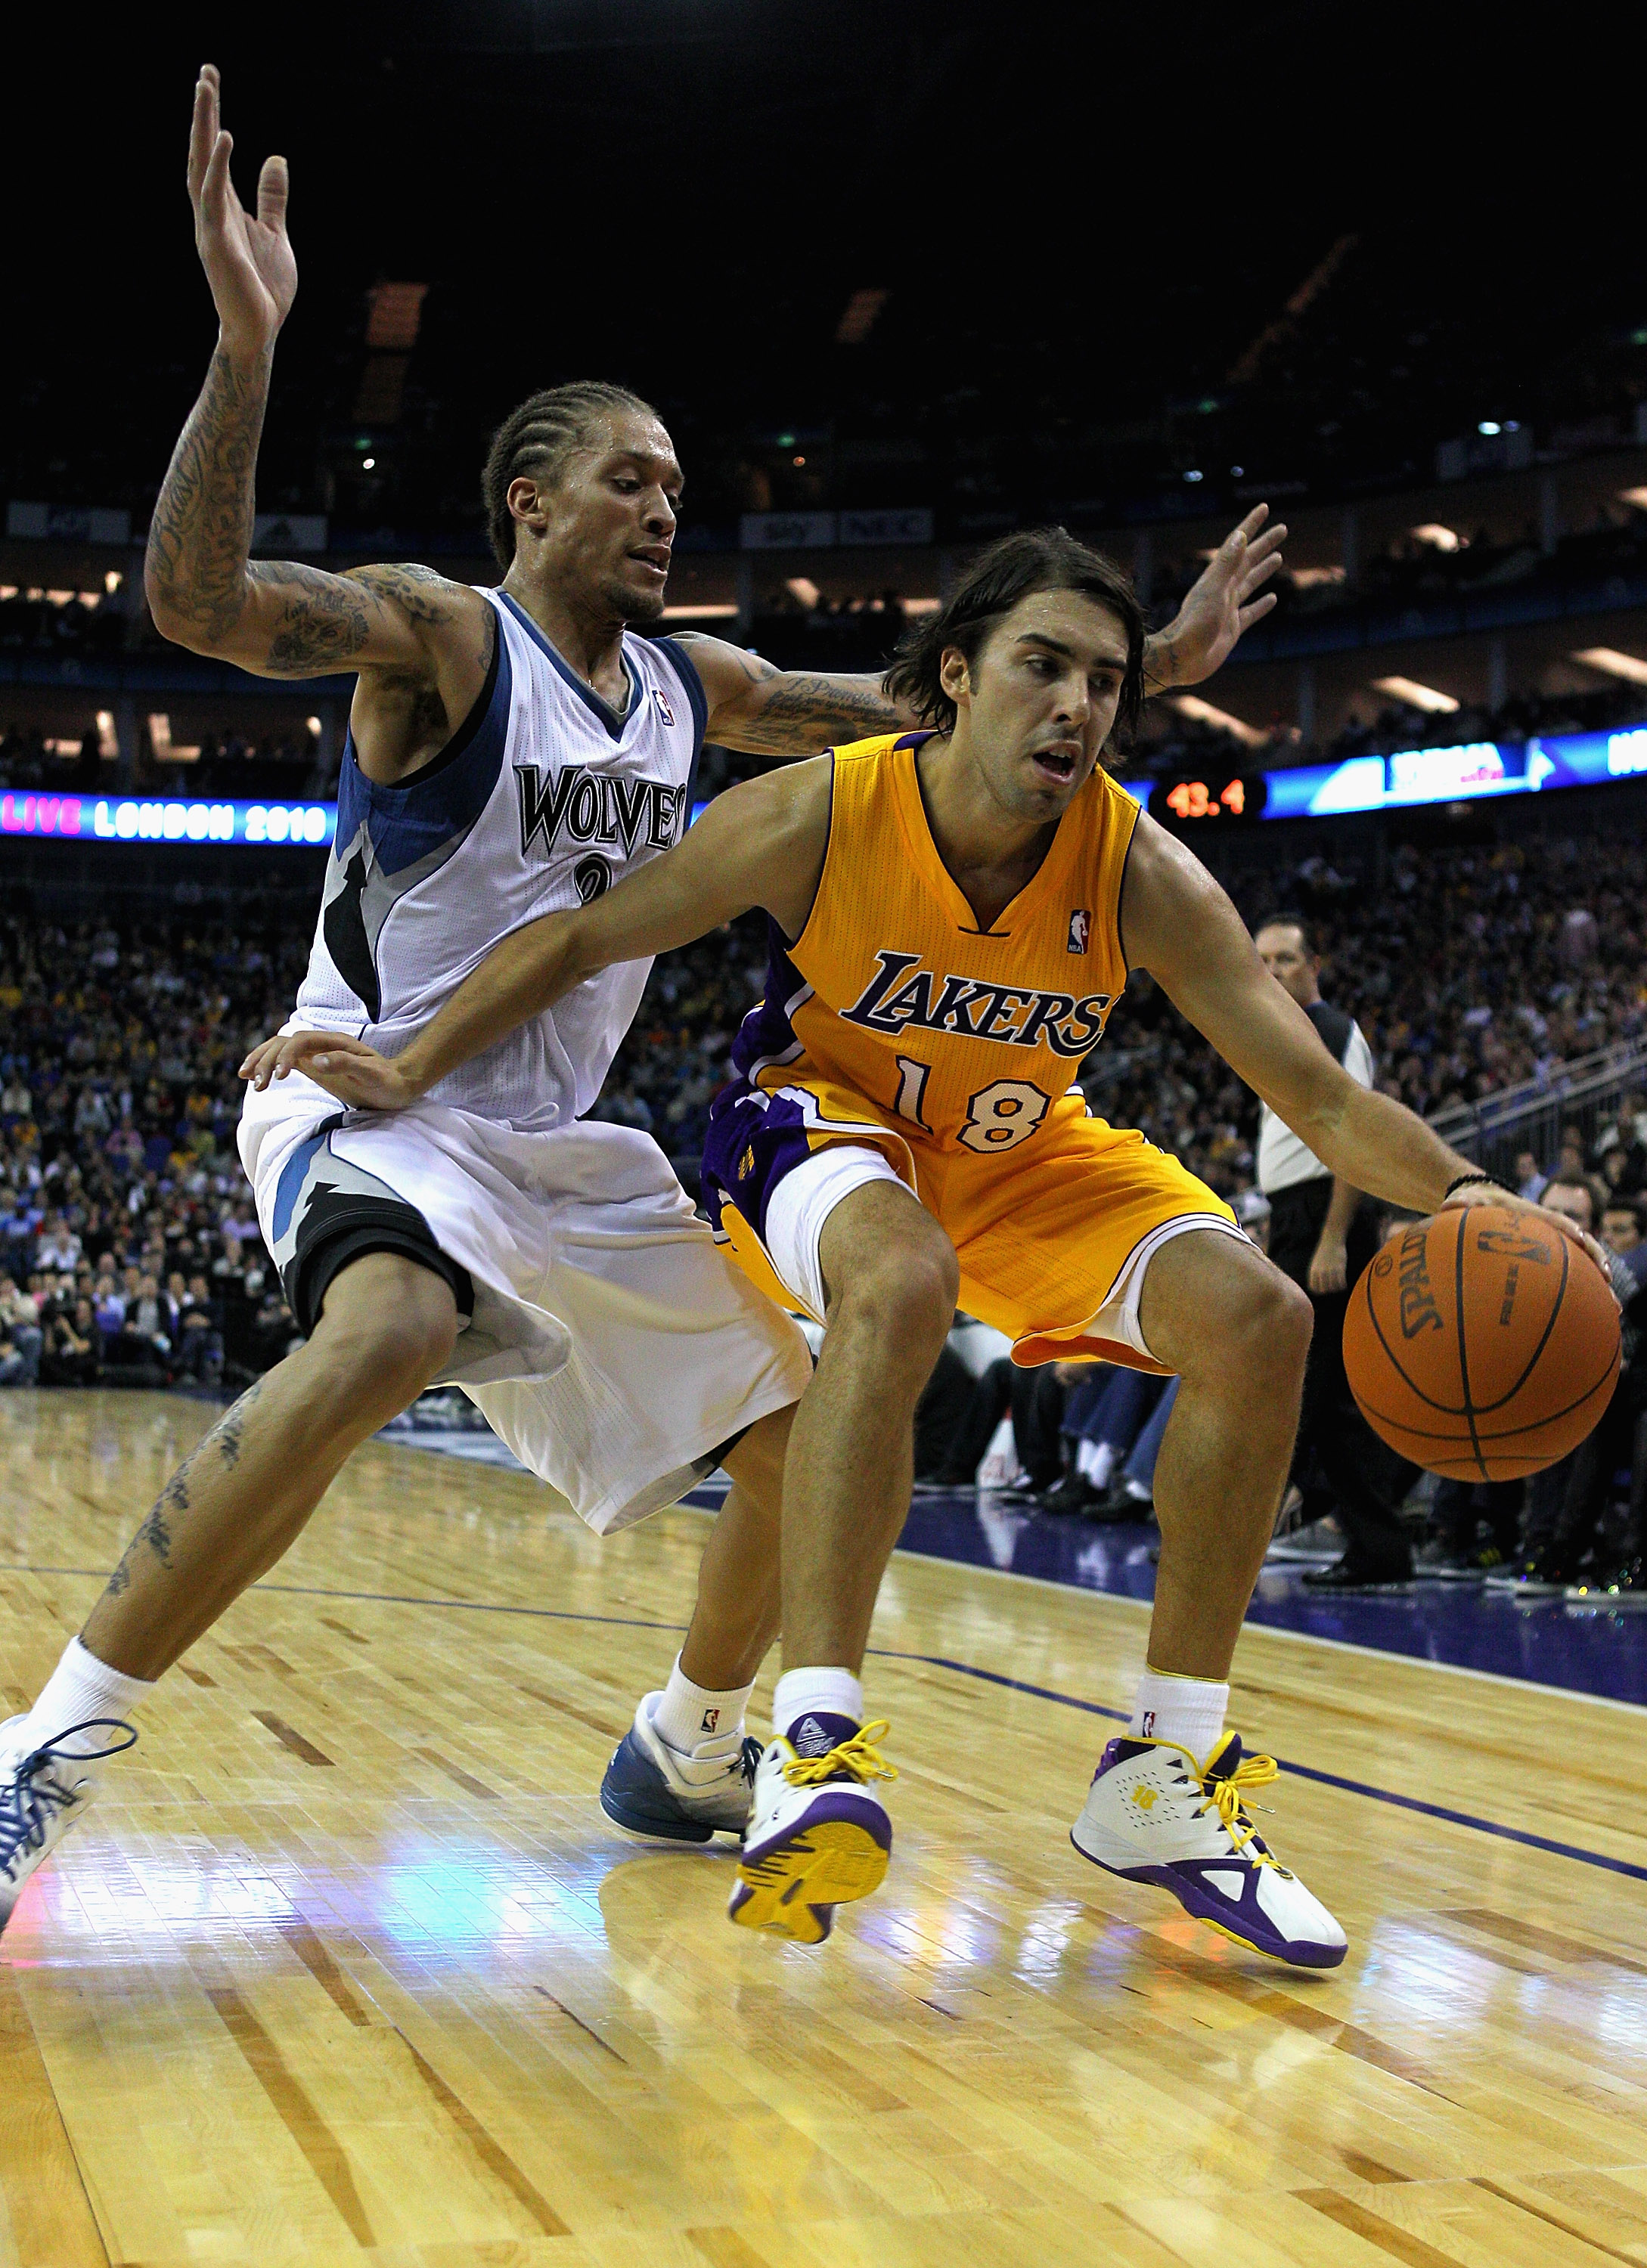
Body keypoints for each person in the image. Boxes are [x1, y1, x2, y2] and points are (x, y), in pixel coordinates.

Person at [0, 67, 1279, 1935]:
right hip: (375, 1094)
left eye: (678, 485)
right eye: (630, 478)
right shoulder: (444, 635)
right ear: (530, 501)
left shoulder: (695, 687)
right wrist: (247, 345)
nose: (667, 506)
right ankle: (40, 1751)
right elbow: (201, 604)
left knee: (813, 1433)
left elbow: (935, 715)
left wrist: (1141, 659)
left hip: (563, 1149)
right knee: (385, 1330)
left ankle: (687, 1742)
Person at [251, 528, 1602, 1969]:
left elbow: (1320, 1101)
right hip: (814, 1120)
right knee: (899, 1283)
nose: (1074, 705)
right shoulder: (823, 810)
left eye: (1103, 681)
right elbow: (581, 940)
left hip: (1019, 1148)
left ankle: (1162, 1769)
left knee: (1260, 1319)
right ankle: (814, 1745)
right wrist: (408, 1061)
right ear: (953, 676)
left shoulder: (1137, 867)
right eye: (1040, 667)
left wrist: (1469, 1193)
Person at [1253, 915, 1416, 1592]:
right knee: (1330, 1401)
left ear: (1314, 965)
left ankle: (1233, 1535)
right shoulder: (1279, 1034)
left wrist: (1331, 1236)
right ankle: (1379, 1549)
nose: (1271, 972)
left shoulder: (1332, 1029)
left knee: (1289, 1386)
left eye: (1285, 960)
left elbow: (1354, 1131)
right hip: (1299, 1217)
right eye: (1261, 961)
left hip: (1327, 1215)